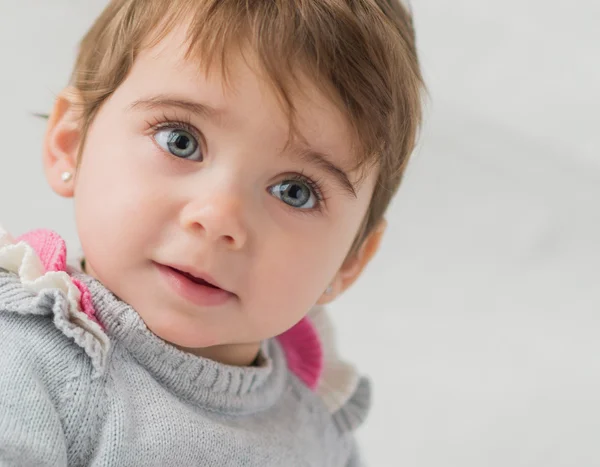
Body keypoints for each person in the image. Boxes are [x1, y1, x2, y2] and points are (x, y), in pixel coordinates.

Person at [0, 0, 423, 465]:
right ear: (71, 144)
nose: (220, 218)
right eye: (181, 141)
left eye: (294, 192)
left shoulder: (316, 423)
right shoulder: (27, 364)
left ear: (350, 261)